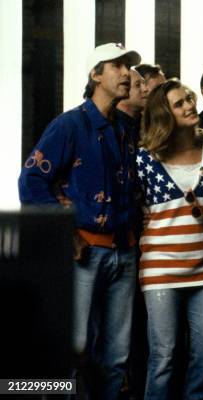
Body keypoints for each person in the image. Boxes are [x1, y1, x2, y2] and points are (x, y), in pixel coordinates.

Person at [18, 42, 141, 398]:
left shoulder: (125, 128)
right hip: (86, 253)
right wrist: (67, 236)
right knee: (74, 349)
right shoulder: (69, 124)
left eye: (127, 67)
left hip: (125, 252)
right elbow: (31, 180)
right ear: (95, 74)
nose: (126, 73)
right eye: (116, 66)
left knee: (117, 355)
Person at [137, 79, 203, 399]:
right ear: (164, 114)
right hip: (161, 268)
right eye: (178, 103)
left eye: (189, 99)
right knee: (164, 356)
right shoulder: (144, 159)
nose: (189, 106)